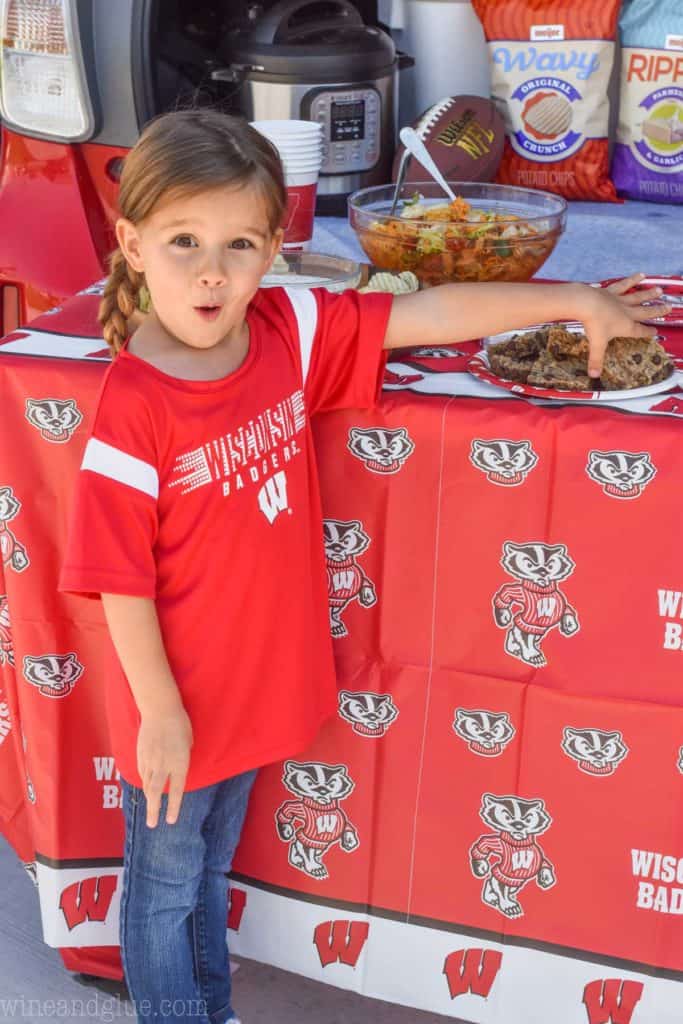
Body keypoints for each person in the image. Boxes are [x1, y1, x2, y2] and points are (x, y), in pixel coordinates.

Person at [58, 108, 668, 1024]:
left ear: (275, 249)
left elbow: (426, 312)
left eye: (239, 243)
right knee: (160, 890)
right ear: (133, 244)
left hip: (253, 690)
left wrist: (575, 300)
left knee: (205, 873)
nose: (213, 271)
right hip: (177, 711)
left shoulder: (283, 327)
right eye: (183, 241)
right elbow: (119, 580)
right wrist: (163, 717)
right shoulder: (134, 407)